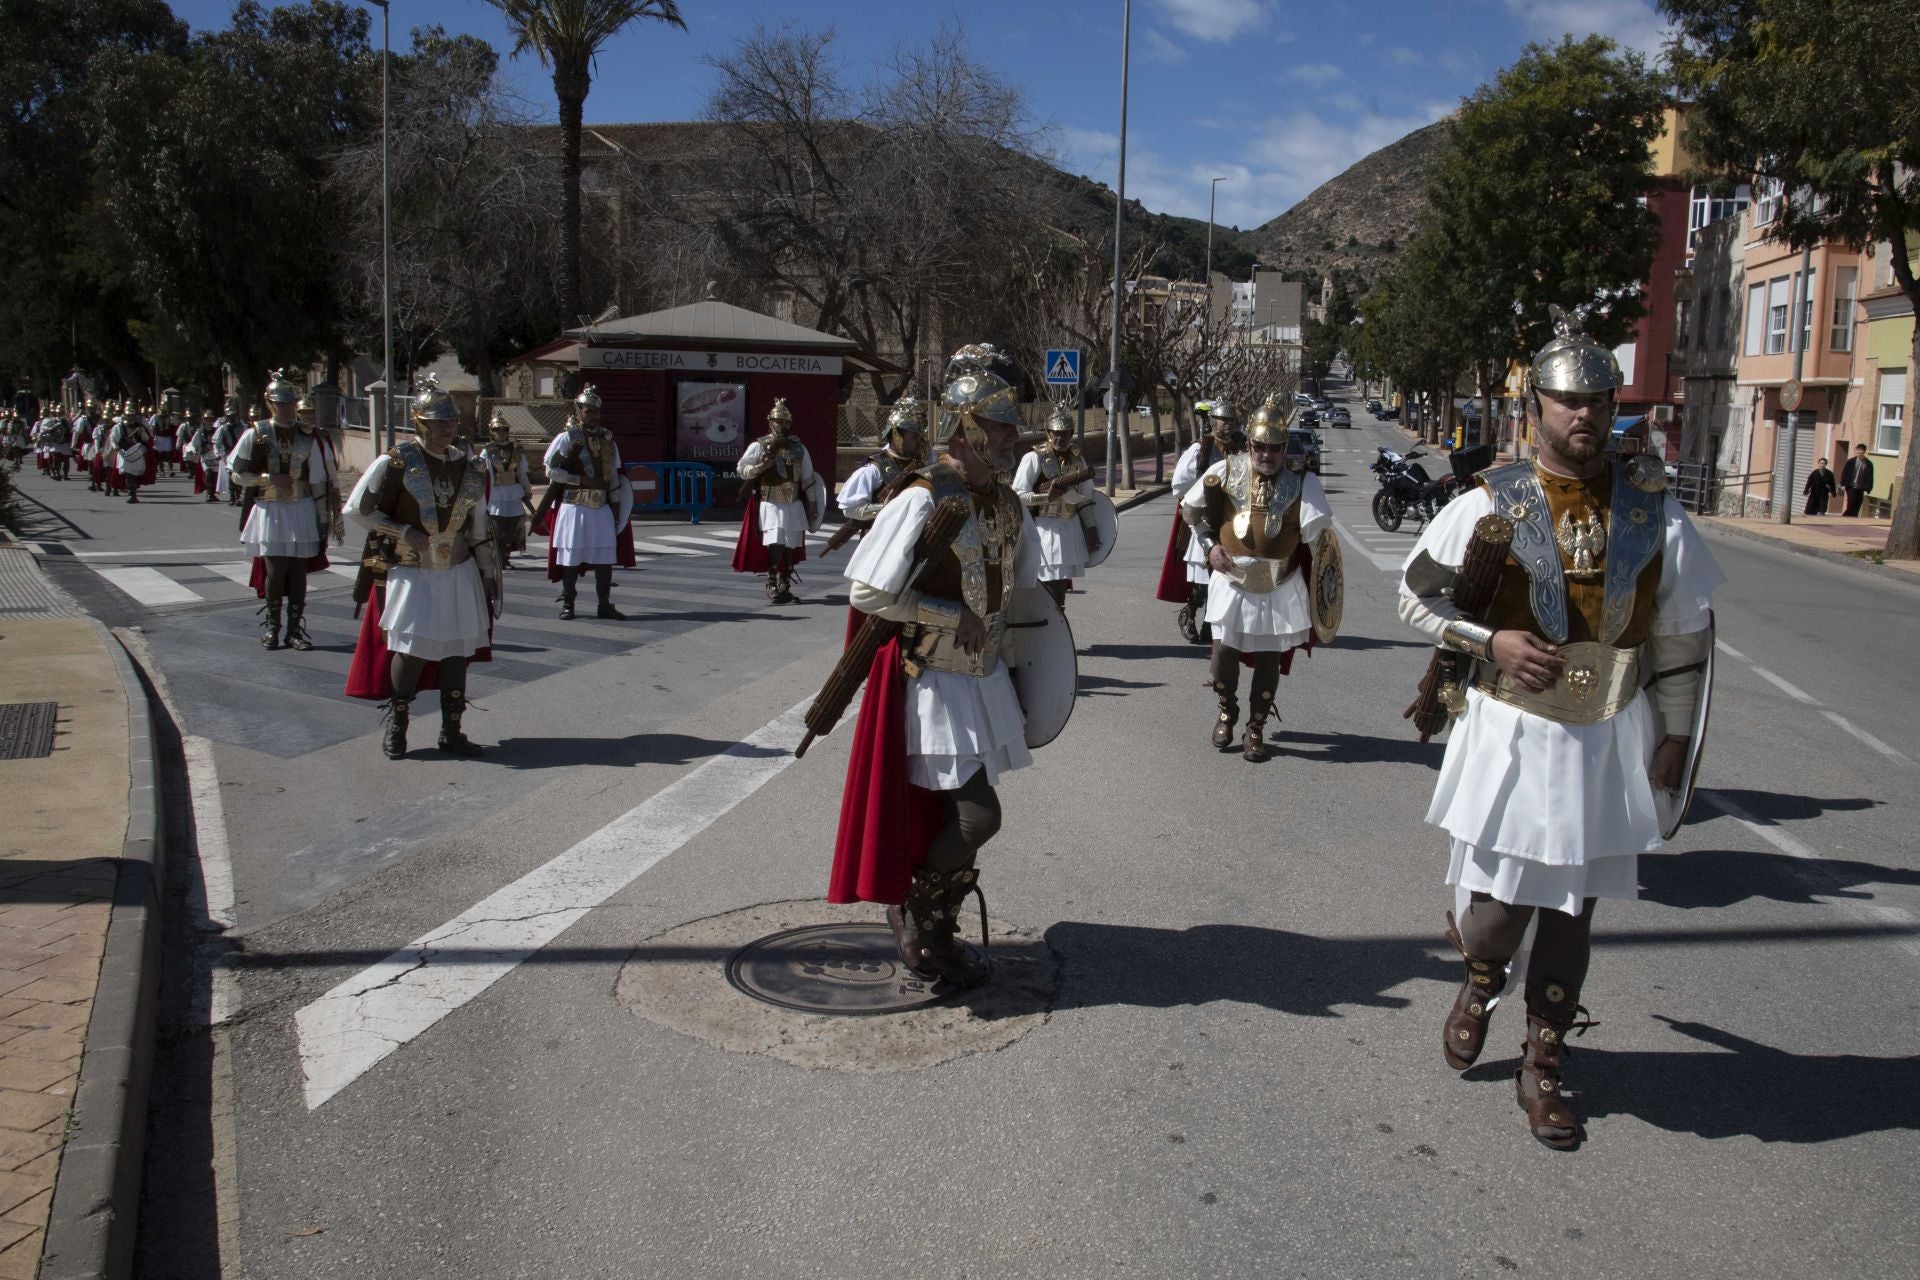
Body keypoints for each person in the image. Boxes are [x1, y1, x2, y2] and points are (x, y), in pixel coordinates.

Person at [1398, 308, 1723, 1151]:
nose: (1585, 415)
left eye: (1599, 400)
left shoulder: (1654, 511)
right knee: (1503, 912)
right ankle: (1477, 981)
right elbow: (1415, 595)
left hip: (1609, 729)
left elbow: (1684, 634)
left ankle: (1542, 1061)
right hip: (1516, 725)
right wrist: (1491, 638)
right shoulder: (1493, 501)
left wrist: (1678, 736)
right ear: (1535, 405)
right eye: (1568, 401)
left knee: (1574, 910)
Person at [828, 343, 1044, 988]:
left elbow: (1024, 597)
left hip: (982, 681)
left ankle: (931, 922)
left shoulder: (1007, 505)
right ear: (971, 429)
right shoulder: (923, 498)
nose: (1013, 440)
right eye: (1002, 428)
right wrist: (954, 617)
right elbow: (867, 593)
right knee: (978, 817)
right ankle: (920, 909)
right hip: (933, 683)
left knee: (959, 817)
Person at [344, 377, 499, 759]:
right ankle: (398, 725)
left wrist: (488, 576)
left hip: (458, 569)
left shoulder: (472, 468)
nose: (447, 428)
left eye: (450, 421)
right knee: (412, 650)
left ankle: (452, 730)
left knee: (455, 651)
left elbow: (478, 528)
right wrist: (400, 530)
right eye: (438, 422)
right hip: (413, 571)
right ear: (421, 423)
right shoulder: (396, 461)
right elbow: (357, 510)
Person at [1181, 393, 1332, 761]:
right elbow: (1190, 510)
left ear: (1285, 448)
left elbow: (1321, 543)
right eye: (1260, 447)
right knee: (1223, 656)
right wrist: (1209, 546)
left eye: (1275, 448)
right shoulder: (1225, 470)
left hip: (1278, 586)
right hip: (1231, 579)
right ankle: (1225, 710)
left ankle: (1256, 727)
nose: (1267, 455)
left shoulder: (1302, 483)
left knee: (1268, 660)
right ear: (1249, 445)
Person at [230, 373, 344, 650]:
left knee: (298, 572)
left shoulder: (309, 437)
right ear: (270, 403)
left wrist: (322, 520)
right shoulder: (255, 434)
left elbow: (318, 481)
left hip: (301, 507)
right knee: (275, 571)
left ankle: (294, 630)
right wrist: (266, 478)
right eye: (281, 403)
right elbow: (237, 474)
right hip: (269, 508)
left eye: (291, 403)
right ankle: (273, 627)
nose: (287, 408)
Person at [541, 386, 633, 620]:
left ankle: (604, 604)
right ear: (579, 411)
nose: (593, 415)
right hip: (574, 506)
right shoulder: (567, 437)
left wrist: (615, 510)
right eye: (588, 411)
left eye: (596, 411)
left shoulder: (608, 439)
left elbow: (613, 477)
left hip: (600, 507)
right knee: (571, 557)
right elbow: (551, 471)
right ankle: (568, 603)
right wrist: (580, 479)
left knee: (605, 559)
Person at [1156, 401, 1245, 644]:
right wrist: (1201, 493)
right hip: (1203, 520)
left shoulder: (1241, 448)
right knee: (1201, 583)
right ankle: (1189, 614)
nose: (1227, 425)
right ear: (1213, 421)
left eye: (1231, 420)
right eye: (1223, 420)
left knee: (1223, 576)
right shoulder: (1200, 449)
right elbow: (1180, 484)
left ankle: (1210, 623)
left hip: (1230, 520)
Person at [1012, 402, 1100, 609]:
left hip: (1069, 527)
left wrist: (1092, 529)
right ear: (1048, 432)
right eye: (1056, 433)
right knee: (1047, 584)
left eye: (1065, 433)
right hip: (1044, 527)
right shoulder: (1033, 458)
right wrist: (1046, 498)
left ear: (1071, 433)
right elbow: (1017, 494)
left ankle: (1055, 624)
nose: (1060, 437)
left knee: (1060, 585)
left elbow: (1087, 497)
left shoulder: (1078, 460)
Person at [733, 398, 818, 603]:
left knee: (790, 545)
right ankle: (771, 582)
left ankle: (785, 583)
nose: (783, 426)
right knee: (776, 542)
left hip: (793, 502)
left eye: (786, 422)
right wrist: (761, 467)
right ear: (770, 422)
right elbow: (742, 470)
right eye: (779, 421)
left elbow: (807, 478)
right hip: (771, 500)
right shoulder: (760, 445)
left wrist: (814, 502)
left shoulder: (799, 448)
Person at [836, 397, 927, 541]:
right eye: (914, 437)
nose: (919, 442)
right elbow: (850, 509)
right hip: (880, 540)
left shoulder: (921, 465)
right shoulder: (873, 469)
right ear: (898, 436)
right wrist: (882, 508)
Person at [479, 410, 533, 570]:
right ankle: (498, 557)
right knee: (497, 526)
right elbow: (486, 476)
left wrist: (527, 489)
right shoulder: (487, 451)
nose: (501, 433)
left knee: (513, 526)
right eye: (497, 430)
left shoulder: (515, 450)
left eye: (504, 430)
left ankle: (507, 556)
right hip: (496, 493)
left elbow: (521, 473)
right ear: (492, 432)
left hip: (513, 492)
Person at [108, 403, 154, 502]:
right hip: (124, 453)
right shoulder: (118, 427)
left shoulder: (140, 427)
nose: (130, 417)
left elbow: (146, 439)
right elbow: (112, 438)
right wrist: (115, 446)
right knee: (129, 474)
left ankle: (132, 492)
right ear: (125, 415)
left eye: (132, 415)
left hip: (137, 453)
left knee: (135, 474)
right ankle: (131, 495)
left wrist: (142, 434)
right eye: (128, 415)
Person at [211, 396, 248, 505]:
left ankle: (238, 496)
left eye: (233, 416)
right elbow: (216, 442)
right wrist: (217, 453)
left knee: (239, 475)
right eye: (229, 416)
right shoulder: (223, 428)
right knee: (231, 475)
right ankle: (232, 496)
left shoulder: (242, 427)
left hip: (239, 454)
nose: (232, 418)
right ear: (227, 417)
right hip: (228, 454)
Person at [34, 409, 71, 481]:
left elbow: (72, 429)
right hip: (55, 442)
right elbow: (44, 430)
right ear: (55, 413)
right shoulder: (50, 421)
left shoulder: (67, 421)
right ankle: (56, 473)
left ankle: (65, 474)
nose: (59, 414)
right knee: (55, 458)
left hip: (65, 441)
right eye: (58, 412)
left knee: (66, 458)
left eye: (61, 412)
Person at [1840, 444, 1874, 517]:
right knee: (1851, 502)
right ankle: (1846, 516)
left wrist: (1869, 489)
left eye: (1860, 450)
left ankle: (1852, 517)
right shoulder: (1851, 462)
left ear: (1864, 452)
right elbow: (1844, 473)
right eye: (1857, 450)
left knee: (1858, 504)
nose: (1858, 451)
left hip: (1861, 487)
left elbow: (1870, 477)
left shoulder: (1868, 464)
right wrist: (1843, 484)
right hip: (1851, 486)